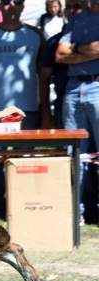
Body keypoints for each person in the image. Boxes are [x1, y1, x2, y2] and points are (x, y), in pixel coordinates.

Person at [0, 0, 45, 221]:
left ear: (23, 6)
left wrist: (45, 110)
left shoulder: (36, 35)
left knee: (25, 162)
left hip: (27, 110)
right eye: (6, 1)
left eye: (17, 2)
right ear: (0, 6)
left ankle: (24, 207)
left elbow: (43, 74)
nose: (12, 5)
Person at [56, 0, 99, 225]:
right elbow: (61, 55)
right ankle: (77, 212)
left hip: (96, 86)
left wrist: (76, 47)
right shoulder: (76, 21)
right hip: (73, 87)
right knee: (74, 152)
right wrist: (88, 50)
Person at [39, 0, 86, 130]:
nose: (71, 11)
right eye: (68, 7)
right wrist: (46, 113)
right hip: (64, 103)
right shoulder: (53, 42)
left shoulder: (94, 37)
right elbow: (44, 79)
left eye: (77, 7)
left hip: (93, 99)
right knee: (68, 149)